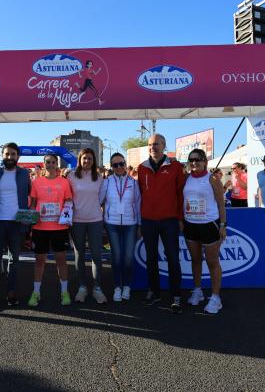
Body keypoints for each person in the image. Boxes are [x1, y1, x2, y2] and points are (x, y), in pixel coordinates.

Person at [138, 134, 185, 312]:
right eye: (150, 144)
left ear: (164, 145)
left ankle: (176, 295)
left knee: (173, 258)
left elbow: (181, 194)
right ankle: (154, 292)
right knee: (151, 259)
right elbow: (141, 194)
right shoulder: (142, 168)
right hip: (148, 221)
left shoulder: (175, 166)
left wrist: (180, 218)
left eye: (156, 144)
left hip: (169, 220)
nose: (153, 147)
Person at [0, 143, 31, 309]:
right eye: (6, 154)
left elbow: (29, 194)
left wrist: (28, 218)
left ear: (18, 156)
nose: (9, 157)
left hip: (17, 223)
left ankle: (11, 292)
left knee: (14, 261)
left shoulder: (24, 174)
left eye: (13, 154)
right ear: (2, 155)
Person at [183, 149, 227, 314]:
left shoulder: (213, 179)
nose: (194, 163)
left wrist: (223, 225)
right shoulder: (187, 178)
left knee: (212, 262)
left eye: (198, 159)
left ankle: (215, 297)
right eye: (191, 160)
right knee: (195, 260)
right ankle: (198, 290)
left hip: (209, 224)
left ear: (205, 162)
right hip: (191, 224)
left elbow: (221, 204)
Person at [27, 154, 73, 307]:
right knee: (40, 261)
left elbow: (68, 201)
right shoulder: (37, 182)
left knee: (61, 260)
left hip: (59, 227)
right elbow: (33, 203)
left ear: (57, 164)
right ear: (44, 164)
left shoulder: (64, 182)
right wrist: (33, 217)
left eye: (53, 162)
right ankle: (36, 292)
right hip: (41, 227)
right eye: (48, 162)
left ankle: (64, 292)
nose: (51, 165)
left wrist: (66, 216)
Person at [99, 153, 141, 302]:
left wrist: (140, 224)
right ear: (112, 167)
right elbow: (99, 200)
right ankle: (117, 286)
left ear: (125, 164)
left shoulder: (134, 183)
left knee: (128, 258)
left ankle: (127, 286)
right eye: (115, 165)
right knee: (116, 257)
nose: (119, 167)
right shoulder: (107, 182)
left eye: (121, 164)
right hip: (112, 224)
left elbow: (138, 203)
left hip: (130, 224)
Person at [67, 148, 106, 303]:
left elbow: (101, 198)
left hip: (95, 220)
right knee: (79, 255)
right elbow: (67, 197)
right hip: (77, 221)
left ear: (93, 160)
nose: (87, 161)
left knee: (97, 255)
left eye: (90, 158)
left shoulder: (99, 177)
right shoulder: (71, 176)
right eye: (84, 158)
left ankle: (97, 288)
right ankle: (82, 288)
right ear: (80, 159)